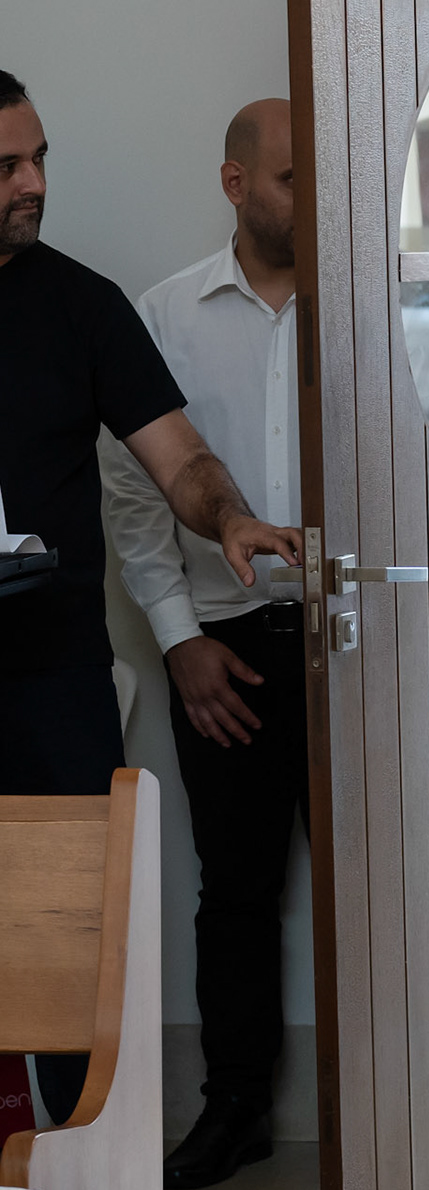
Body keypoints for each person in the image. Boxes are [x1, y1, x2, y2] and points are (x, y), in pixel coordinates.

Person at [0, 67, 301, 1121]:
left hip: (53, 678)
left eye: (40, 159)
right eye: (7, 166)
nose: (34, 183)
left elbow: (177, 460)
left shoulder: (82, 305)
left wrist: (231, 519)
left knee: (72, 940)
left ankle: (87, 1174)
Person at [100, 99, 305, 1190]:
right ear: (234, 184)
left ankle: (401, 1105)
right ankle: (234, 1107)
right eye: (288, 180)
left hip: (355, 640)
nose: (309, 201)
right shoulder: (164, 316)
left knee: (385, 881)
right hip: (227, 651)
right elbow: (134, 500)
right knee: (233, 890)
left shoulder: (372, 308)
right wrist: (179, 639)